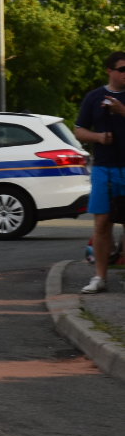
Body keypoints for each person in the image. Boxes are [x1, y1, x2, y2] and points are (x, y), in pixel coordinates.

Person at [74, 52, 125, 293]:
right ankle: (100, 277)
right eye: (122, 69)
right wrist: (98, 137)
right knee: (102, 223)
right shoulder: (94, 97)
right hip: (104, 167)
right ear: (110, 71)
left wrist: (122, 111)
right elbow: (79, 130)